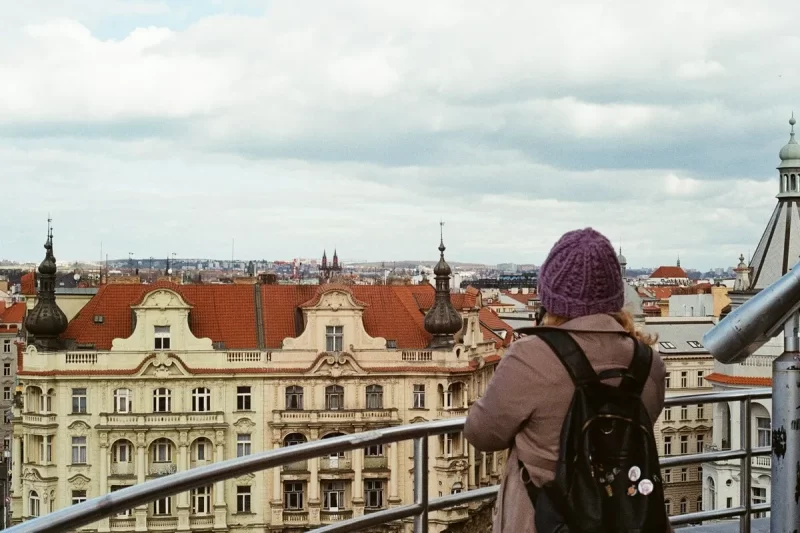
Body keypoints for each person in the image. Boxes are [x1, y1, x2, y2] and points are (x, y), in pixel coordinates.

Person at [464, 228, 669, 533]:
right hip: (628, 520)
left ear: (550, 299)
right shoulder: (648, 363)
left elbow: (481, 433)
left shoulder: (531, 357)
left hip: (546, 522)